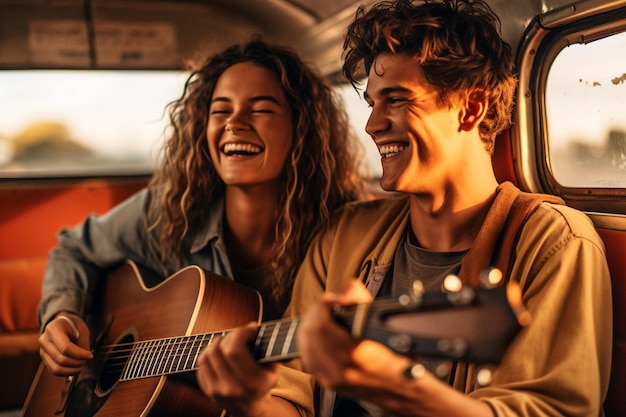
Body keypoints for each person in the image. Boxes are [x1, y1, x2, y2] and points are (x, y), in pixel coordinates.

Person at [195, 1, 613, 416]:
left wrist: (394, 386)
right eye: (372, 103)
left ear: (470, 109)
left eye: (395, 100)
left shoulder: (555, 243)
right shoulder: (343, 234)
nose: (372, 124)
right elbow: (295, 397)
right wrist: (252, 402)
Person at [37, 38, 365, 394]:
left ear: (302, 128)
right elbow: (73, 249)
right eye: (220, 110)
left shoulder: (342, 231)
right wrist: (63, 315)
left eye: (261, 109)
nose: (234, 123)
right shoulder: (168, 211)